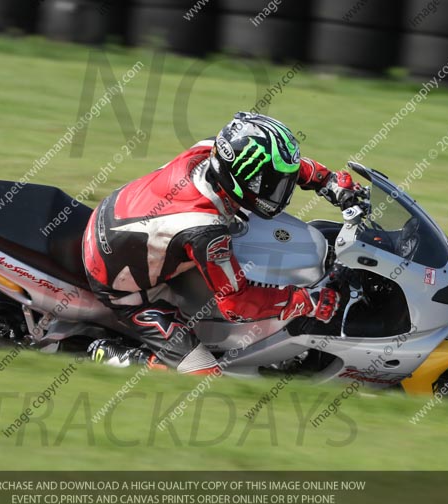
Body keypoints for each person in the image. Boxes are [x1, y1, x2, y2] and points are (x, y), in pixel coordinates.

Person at [82, 112, 360, 375]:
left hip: (117, 217)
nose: (280, 190)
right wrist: (304, 302)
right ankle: (112, 354)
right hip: (119, 283)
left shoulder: (212, 151)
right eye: (270, 183)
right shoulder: (204, 229)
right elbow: (237, 304)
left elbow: (281, 167)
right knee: (202, 372)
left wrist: (329, 181)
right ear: (240, 179)